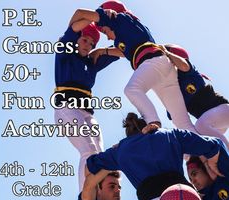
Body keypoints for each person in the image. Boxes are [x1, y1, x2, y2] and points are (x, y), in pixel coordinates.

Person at [84, 112, 227, 200]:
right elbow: (215, 144)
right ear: (146, 126)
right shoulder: (170, 134)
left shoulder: (121, 149)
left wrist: (118, 150)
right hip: (188, 198)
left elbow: (89, 166)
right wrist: (214, 161)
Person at [70, 0, 196, 133]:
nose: (107, 37)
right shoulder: (130, 28)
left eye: (105, 31)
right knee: (181, 121)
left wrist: (70, 36)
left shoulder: (117, 19)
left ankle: (153, 122)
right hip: (163, 68)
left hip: (153, 62)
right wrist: (102, 51)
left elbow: (80, 13)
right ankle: (204, 150)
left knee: (132, 89)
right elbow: (124, 52)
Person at [54, 12, 122, 190]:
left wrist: (102, 50)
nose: (89, 45)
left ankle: (100, 198)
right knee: (89, 150)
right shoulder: (65, 51)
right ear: (77, 39)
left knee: (99, 154)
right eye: (85, 40)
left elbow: (123, 51)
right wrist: (96, 18)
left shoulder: (91, 62)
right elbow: (74, 26)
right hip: (66, 108)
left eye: (92, 43)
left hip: (86, 112)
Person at [160, 44, 229, 149]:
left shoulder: (188, 73)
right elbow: (173, 115)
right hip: (214, 121)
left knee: (200, 126)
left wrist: (167, 53)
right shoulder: (173, 88)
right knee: (203, 140)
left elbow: (183, 65)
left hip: (222, 110)